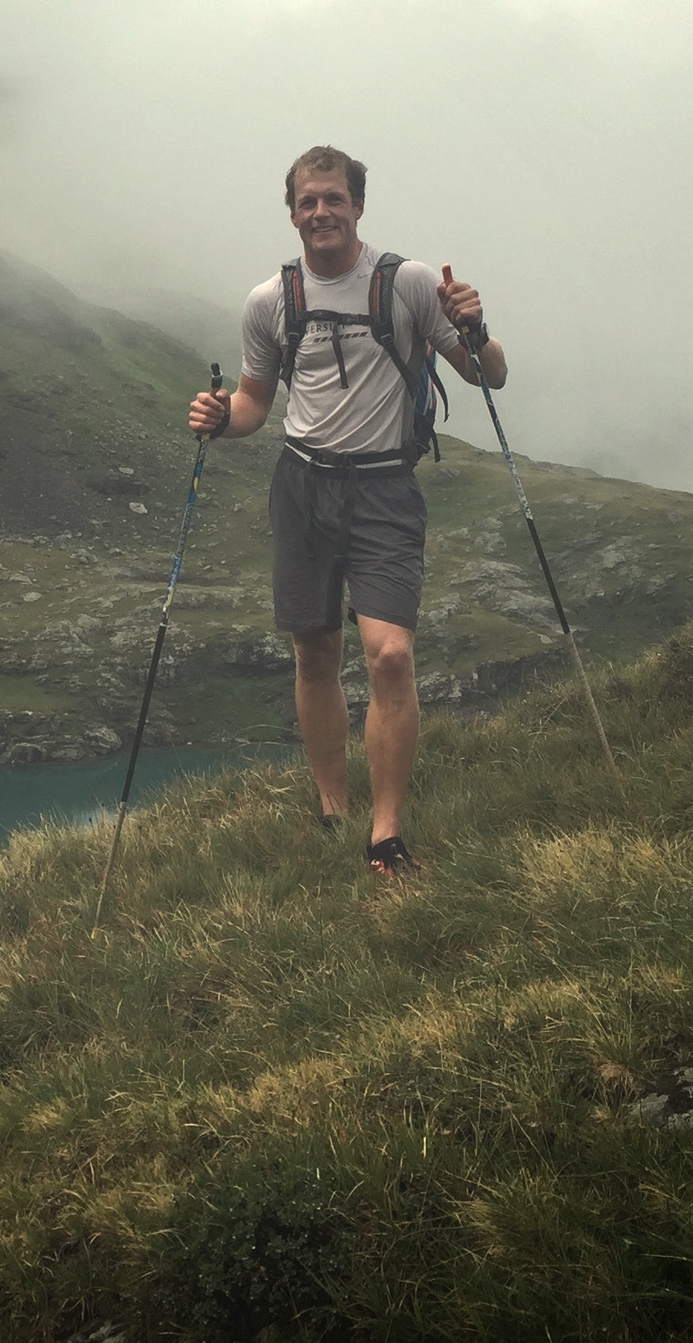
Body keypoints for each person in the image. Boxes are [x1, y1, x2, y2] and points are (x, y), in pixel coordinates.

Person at [187, 144, 507, 876]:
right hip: (302, 486)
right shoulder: (271, 301)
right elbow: (253, 405)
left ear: (358, 205)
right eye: (308, 201)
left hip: (385, 488)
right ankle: (335, 809)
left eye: (334, 198)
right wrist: (215, 416)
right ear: (293, 212)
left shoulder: (411, 285)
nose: (321, 211)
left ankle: (385, 832)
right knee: (315, 650)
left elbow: (489, 376)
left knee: (390, 654)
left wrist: (478, 325)